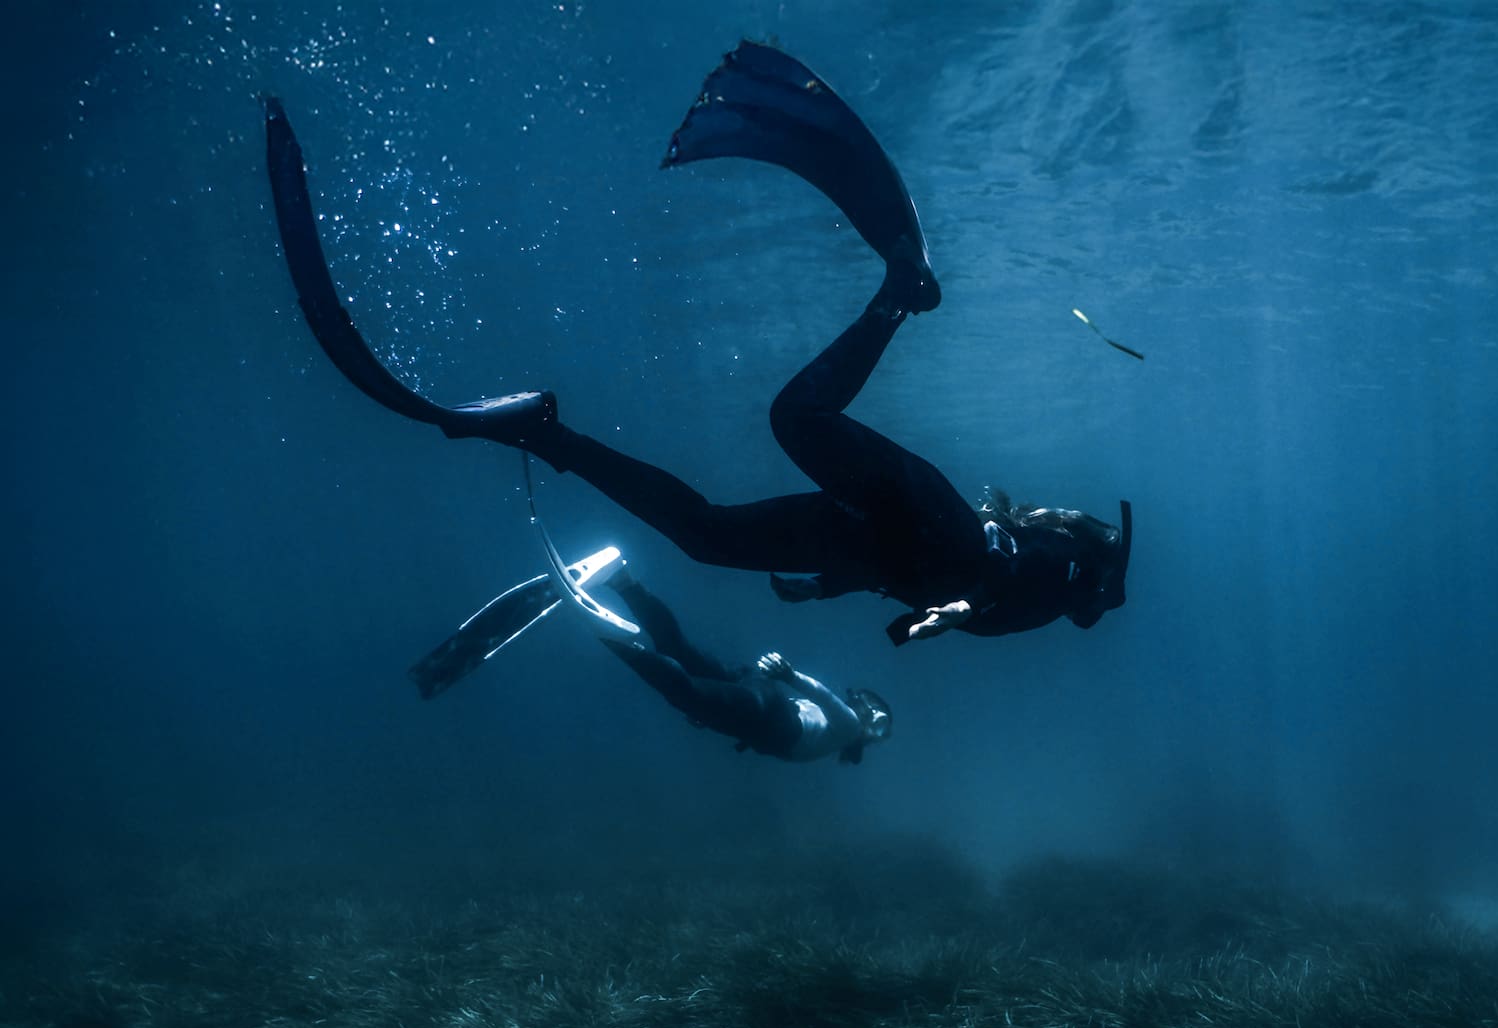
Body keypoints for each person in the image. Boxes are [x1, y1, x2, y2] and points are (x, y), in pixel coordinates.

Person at [263, 41, 1132, 648]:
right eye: (1105, 594)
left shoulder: (1056, 590)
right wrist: (934, 616)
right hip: (926, 524)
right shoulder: (1056, 579)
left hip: (883, 547)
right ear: (1089, 567)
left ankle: (540, 431)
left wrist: (852, 586)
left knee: (706, 539)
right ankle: (895, 297)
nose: (1101, 608)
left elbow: (966, 587)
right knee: (796, 417)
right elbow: (987, 578)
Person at [411, 558, 892, 763]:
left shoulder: (840, 737)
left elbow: (815, 708)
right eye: (878, 717)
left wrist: (758, 698)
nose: (874, 726)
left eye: (879, 726)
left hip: (757, 698)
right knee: (680, 687)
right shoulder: (848, 729)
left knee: (679, 649)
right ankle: (606, 634)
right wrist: (789, 676)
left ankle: (624, 583)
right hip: (765, 711)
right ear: (865, 712)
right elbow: (824, 698)